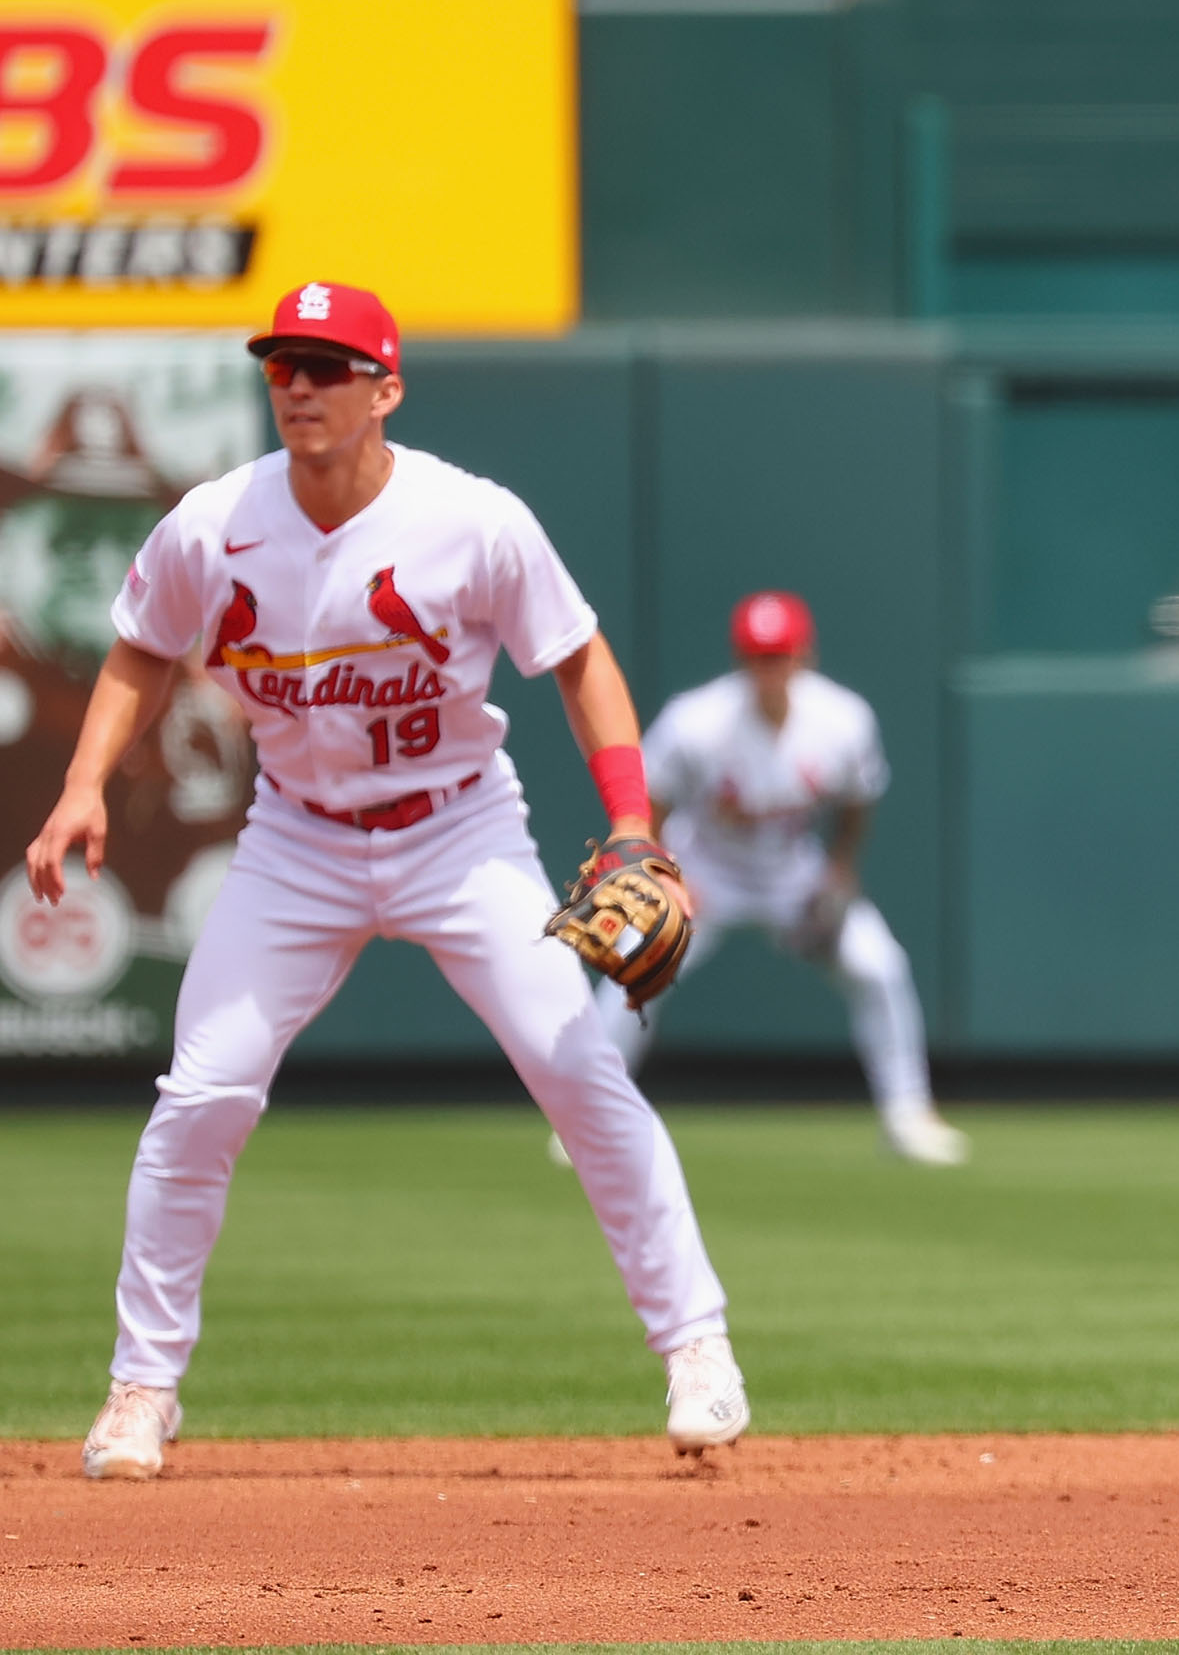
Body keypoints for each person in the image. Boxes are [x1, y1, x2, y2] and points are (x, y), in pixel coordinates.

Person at [26, 281, 751, 1482]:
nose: (299, 385)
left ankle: (697, 1347)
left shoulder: (472, 519)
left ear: (386, 388)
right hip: (295, 839)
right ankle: (141, 1385)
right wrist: (83, 782)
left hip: (459, 832)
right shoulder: (214, 522)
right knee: (202, 1095)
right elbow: (143, 649)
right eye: (282, 365)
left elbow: (578, 661)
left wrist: (632, 815)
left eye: (327, 364)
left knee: (578, 1065)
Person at [567, 589, 967, 1167]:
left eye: (780, 655)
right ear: (741, 660)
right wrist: (663, 875)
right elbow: (650, 801)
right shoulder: (697, 720)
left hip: (791, 871)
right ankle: (589, 1119)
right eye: (758, 656)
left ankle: (907, 1115)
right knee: (634, 965)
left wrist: (839, 868)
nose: (770, 669)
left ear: (804, 656)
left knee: (878, 965)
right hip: (705, 865)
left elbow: (858, 801)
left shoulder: (841, 719)